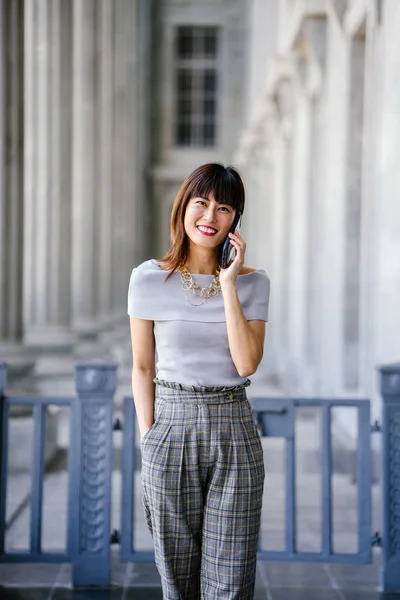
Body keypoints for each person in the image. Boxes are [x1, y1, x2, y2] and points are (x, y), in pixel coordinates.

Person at [127, 163, 270, 600]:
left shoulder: (253, 283)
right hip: (170, 426)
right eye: (202, 202)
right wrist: (148, 439)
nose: (210, 216)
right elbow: (142, 368)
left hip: (233, 427)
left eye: (224, 208)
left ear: (235, 221)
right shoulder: (148, 278)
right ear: (184, 206)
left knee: (230, 580)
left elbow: (246, 363)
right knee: (177, 579)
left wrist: (228, 284)